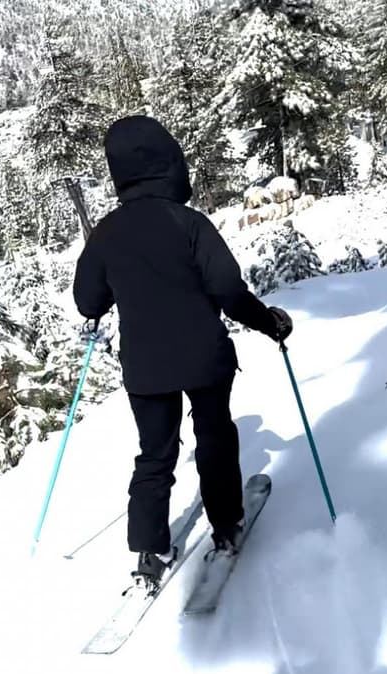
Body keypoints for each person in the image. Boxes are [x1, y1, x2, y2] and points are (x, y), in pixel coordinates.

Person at [73, 115, 292, 592]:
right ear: (170, 164)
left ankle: (149, 549)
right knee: (213, 438)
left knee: (154, 454)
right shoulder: (189, 223)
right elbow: (228, 291)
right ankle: (226, 524)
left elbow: (88, 302)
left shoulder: (106, 234)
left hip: (145, 368)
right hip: (204, 358)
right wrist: (268, 322)